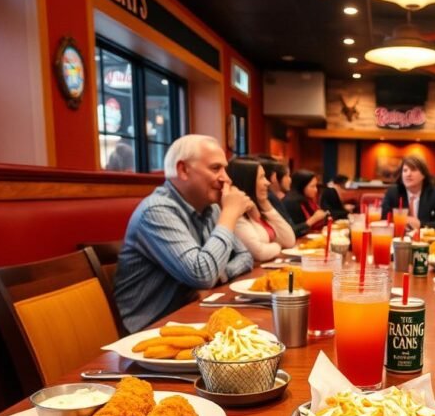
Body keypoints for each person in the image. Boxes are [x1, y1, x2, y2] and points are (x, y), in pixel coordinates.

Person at [114, 134, 254, 332]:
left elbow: (245, 256)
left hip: (189, 317)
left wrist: (219, 275)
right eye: (216, 168)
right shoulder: (156, 210)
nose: (227, 179)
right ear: (183, 170)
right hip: (151, 329)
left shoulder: (210, 208)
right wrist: (229, 215)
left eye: (225, 169)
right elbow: (202, 275)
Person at [227, 157, 296, 261]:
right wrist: (277, 246)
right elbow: (259, 253)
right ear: (248, 181)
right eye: (262, 177)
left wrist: (265, 204)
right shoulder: (237, 215)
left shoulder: (257, 208)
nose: (267, 183)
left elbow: (289, 240)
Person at [380, 155, 435, 232]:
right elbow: (384, 219)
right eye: (405, 170)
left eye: (413, 170)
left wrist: (420, 224)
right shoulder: (393, 192)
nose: (408, 174)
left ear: (423, 174)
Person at [257, 154, 308, 237]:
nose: (290, 180)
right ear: (274, 177)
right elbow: (290, 231)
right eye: (287, 176)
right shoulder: (269, 198)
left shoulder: (273, 197)